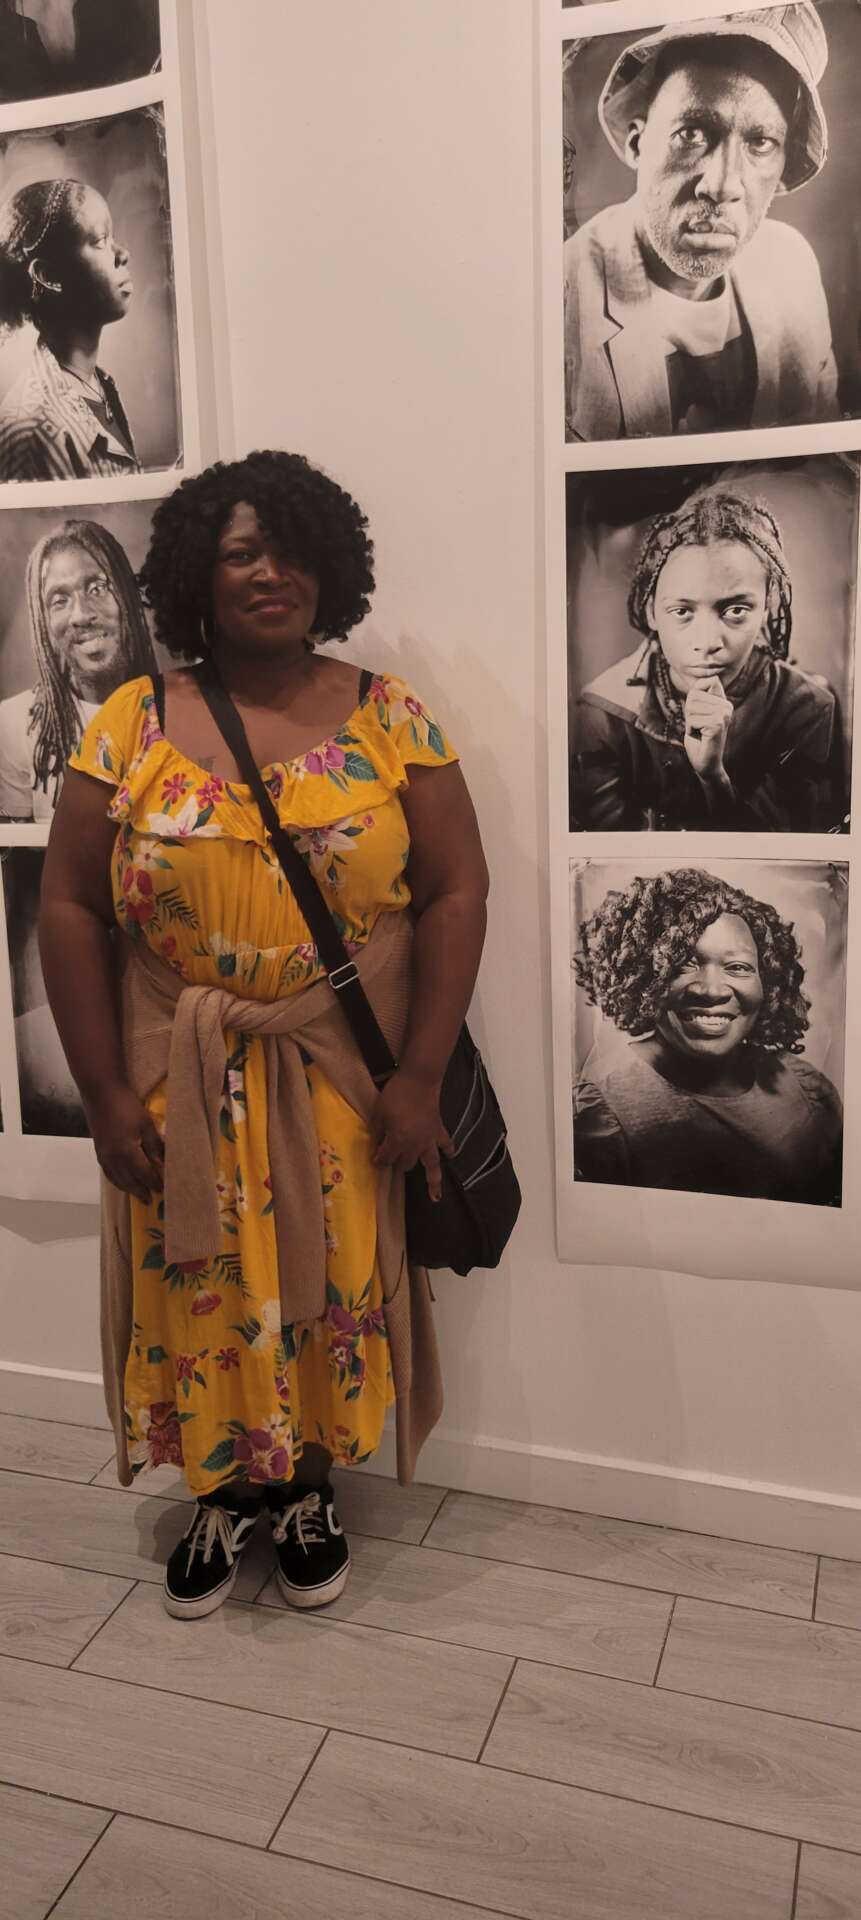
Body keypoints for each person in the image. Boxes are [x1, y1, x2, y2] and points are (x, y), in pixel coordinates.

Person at [39, 448, 489, 1621]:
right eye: (241, 552)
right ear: (199, 571)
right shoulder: (133, 722)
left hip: (339, 1074)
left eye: (289, 551)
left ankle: (306, 1488)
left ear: (329, 567)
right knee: (197, 1282)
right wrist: (103, 1093)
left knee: (330, 1280)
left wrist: (421, 1074)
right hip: (176, 1074)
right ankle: (222, 1488)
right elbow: (69, 906)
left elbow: (456, 891)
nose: (268, 573)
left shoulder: (390, 716)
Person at [563, 4, 840, 440]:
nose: (721, 185)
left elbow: (824, 459)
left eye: (761, 142)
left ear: (783, 164)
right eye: (691, 134)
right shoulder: (562, 297)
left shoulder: (793, 266)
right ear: (637, 143)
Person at [571, 490, 845, 832]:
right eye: (681, 611)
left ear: (767, 607)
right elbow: (605, 851)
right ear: (651, 611)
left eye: (735, 610)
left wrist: (714, 778)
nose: (707, 643)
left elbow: (793, 849)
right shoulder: (602, 711)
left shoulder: (807, 707)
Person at [573, 866, 843, 1205]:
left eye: (738, 967)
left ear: (769, 982)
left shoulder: (810, 1091)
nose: (712, 990)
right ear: (641, 977)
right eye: (683, 963)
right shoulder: (601, 1112)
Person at [0, 518, 157, 820]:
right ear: (43, 623)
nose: (81, 615)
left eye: (98, 588)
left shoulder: (177, 711)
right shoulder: (13, 725)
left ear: (128, 596)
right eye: (59, 601)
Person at [0, 178, 139, 481]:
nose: (123, 254)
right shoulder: (30, 431)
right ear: (48, 275)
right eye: (100, 240)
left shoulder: (99, 385)